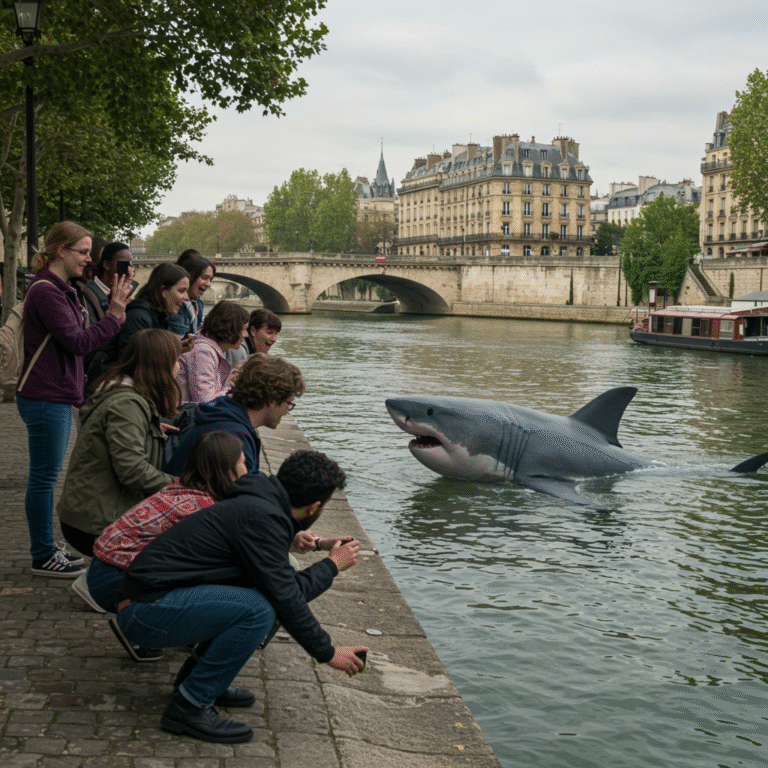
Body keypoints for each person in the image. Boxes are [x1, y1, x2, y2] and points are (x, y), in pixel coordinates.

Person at [116, 449, 368, 743]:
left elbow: (282, 586)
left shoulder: (260, 505)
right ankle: (189, 705)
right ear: (314, 507)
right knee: (258, 610)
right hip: (146, 612)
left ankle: (198, 681)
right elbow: (287, 598)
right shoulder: (263, 518)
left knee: (253, 601)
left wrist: (321, 547)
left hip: (149, 601)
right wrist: (328, 649)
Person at [16, 221, 132, 578]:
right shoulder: (46, 292)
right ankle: (42, 553)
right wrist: (114, 317)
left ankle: (48, 547)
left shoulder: (61, 288)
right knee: (44, 479)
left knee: (46, 476)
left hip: (55, 393)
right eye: (82, 253)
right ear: (60, 251)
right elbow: (78, 343)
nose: (89, 260)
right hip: (44, 395)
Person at [56, 328, 181, 558]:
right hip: (95, 522)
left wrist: (150, 428)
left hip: (87, 512)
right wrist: (178, 485)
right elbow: (132, 470)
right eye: (176, 361)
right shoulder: (127, 405)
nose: (179, 368)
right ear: (160, 365)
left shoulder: (123, 395)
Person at [164, 354, 304, 476]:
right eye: (288, 403)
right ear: (271, 401)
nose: (287, 411)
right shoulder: (234, 437)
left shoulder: (222, 412)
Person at [176, 300, 249, 405]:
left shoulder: (208, 349)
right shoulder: (203, 352)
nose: (246, 335)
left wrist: (229, 380)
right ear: (229, 328)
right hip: (184, 418)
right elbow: (206, 403)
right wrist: (231, 388)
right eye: (243, 329)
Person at [81, 242, 137, 326]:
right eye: (124, 264)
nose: (130, 270)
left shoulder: (121, 294)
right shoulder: (87, 295)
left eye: (131, 265)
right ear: (106, 265)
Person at [167, 251, 215, 338]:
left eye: (210, 279)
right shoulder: (178, 305)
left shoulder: (198, 303)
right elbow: (176, 344)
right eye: (204, 278)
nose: (209, 284)